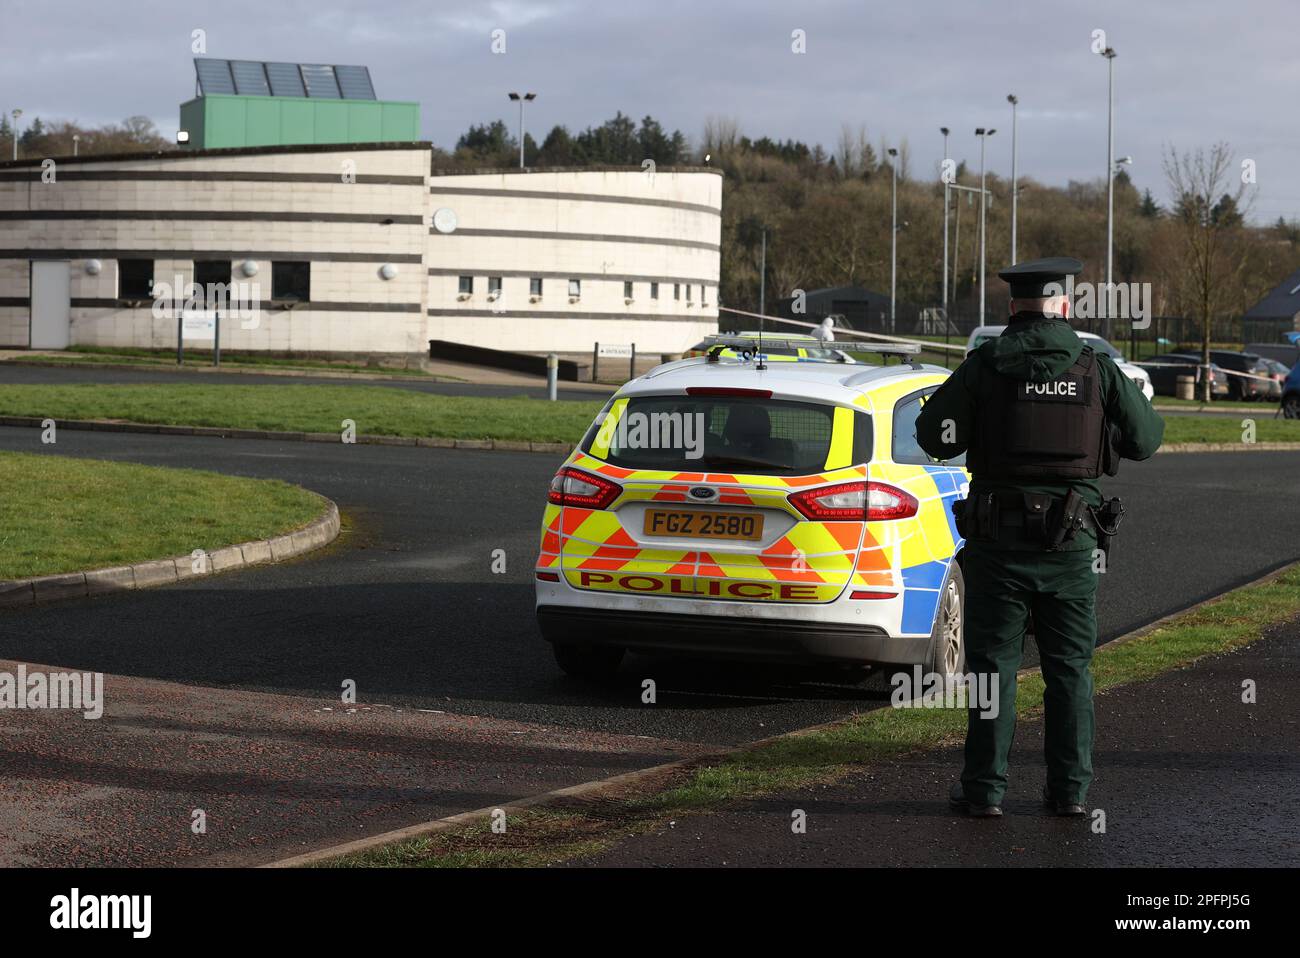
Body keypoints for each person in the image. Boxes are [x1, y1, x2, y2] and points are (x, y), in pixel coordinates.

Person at [915, 257, 1164, 817]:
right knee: (1070, 669)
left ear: (1012, 307)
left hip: (997, 546)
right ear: (1066, 307)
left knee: (992, 670)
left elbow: (933, 435)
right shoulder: (1095, 366)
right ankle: (1070, 792)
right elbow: (1146, 439)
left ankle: (984, 792)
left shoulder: (985, 365)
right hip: (1072, 546)